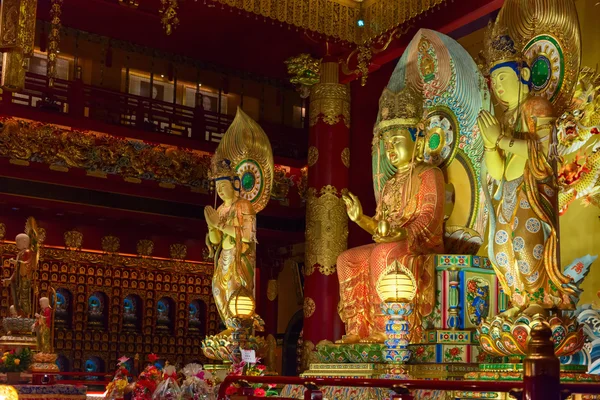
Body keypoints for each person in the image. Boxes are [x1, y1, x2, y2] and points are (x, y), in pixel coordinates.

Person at [337, 85, 445, 343]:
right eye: (387, 145)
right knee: (347, 258)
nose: (390, 150)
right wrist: (360, 218)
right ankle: (358, 328)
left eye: (396, 142)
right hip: (393, 242)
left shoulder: (429, 174)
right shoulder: (390, 183)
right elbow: (381, 228)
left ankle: (384, 328)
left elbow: (430, 217)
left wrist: (403, 233)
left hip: (419, 245)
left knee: (382, 253)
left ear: (416, 140)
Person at [204, 158, 257, 333]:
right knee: (218, 290)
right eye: (218, 188)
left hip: (238, 256)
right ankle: (228, 326)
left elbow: (248, 235)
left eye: (223, 187)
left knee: (235, 290)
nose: (220, 191)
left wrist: (218, 225)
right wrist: (211, 226)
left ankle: (237, 331)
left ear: (234, 184)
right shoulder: (219, 209)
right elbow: (216, 240)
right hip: (224, 256)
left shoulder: (244, 205)